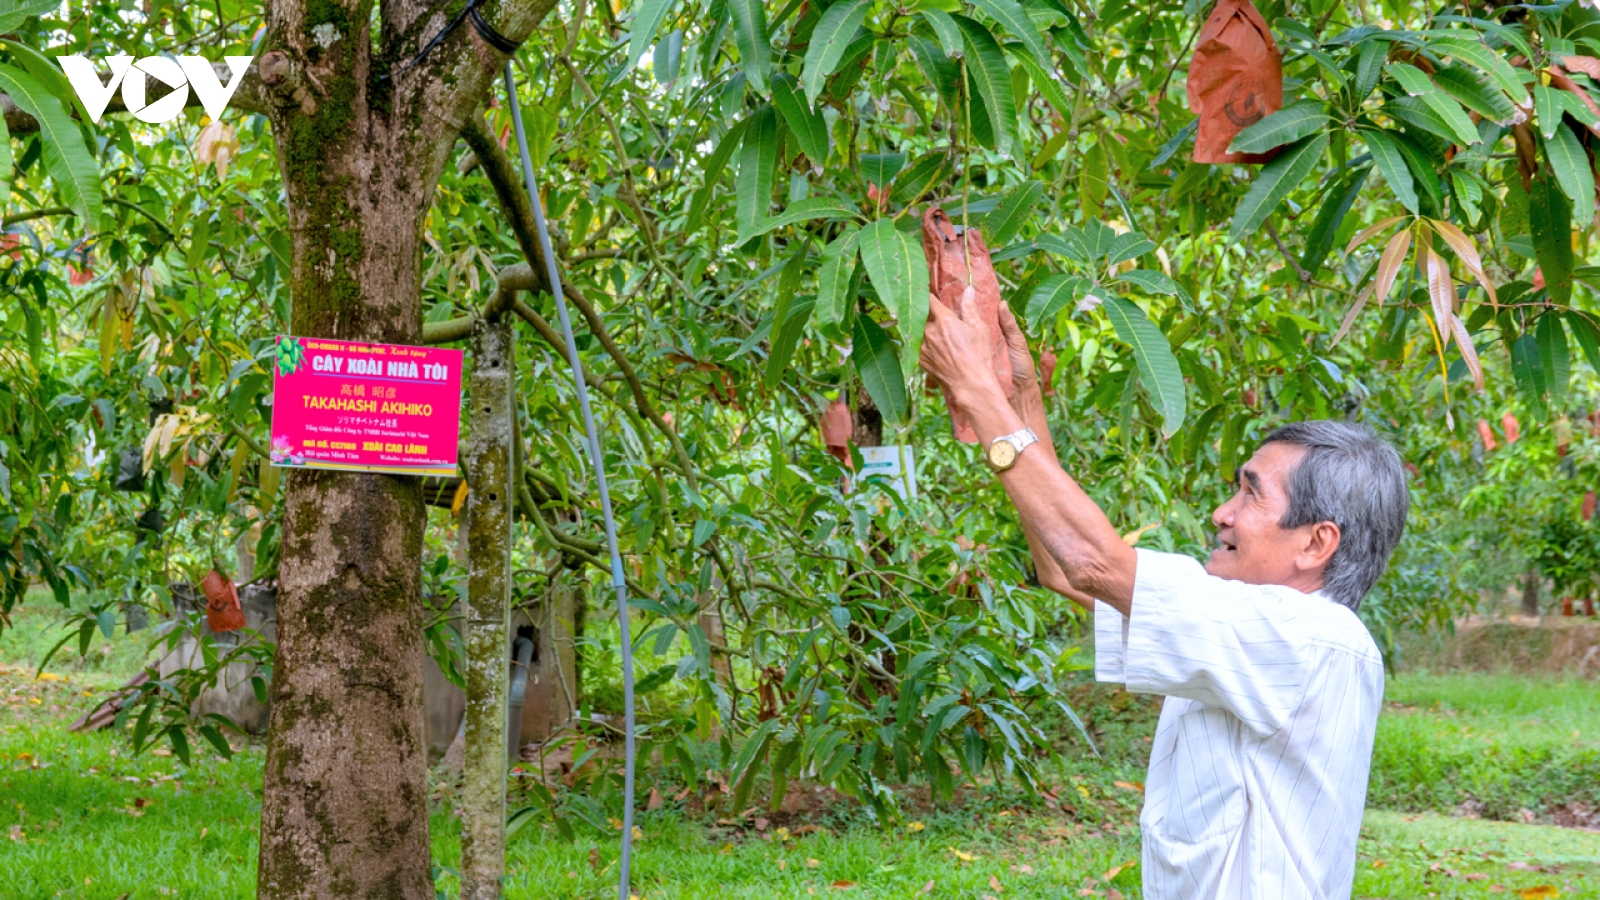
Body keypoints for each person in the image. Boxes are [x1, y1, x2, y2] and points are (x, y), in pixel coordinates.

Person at [918, 287, 1408, 899]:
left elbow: (1094, 562)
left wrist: (975, 391)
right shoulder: (1252, 626)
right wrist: (1020, 400)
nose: (1221, 513)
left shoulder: (1308, 639)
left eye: (1251, 494)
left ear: (1316, 544)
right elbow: (1066, 571)